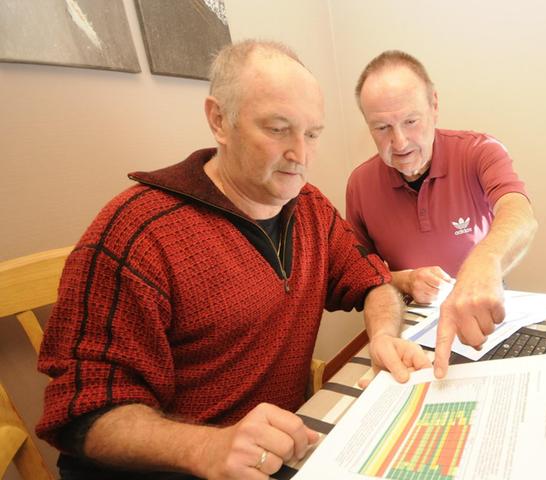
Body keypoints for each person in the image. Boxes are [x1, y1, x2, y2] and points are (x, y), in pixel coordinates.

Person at [35, 40, 429, 480]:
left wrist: (382, 336)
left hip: (277, 456)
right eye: (278, 129)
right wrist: (206, 446)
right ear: (219, 120)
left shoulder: (311, 209)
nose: (301, 156)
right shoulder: (138, 233)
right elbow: (82, 415)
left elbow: (372, 280)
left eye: (313, 133)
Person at [346, 51, 538, 379]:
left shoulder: (479, 151)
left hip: (481, 314)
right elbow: (356, 273)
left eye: (411, 121)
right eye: (382, 127)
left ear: (434, 105)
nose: (400, 142)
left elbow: (520, 213)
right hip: (407, 330)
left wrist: (483, 263)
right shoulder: (360, 184)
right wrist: (404, 279)